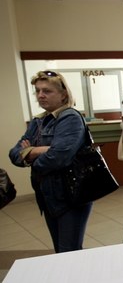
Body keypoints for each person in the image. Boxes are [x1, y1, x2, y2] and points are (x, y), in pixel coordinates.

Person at [9, 70, 92, 253]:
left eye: (47, 91)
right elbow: (14, 154)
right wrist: (39, 151)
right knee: (60, 251)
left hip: (70, 196)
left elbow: (58, 158)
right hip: (48, 197)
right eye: (37, 91)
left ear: (63, 94)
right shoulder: (39, 121)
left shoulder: (70, 117)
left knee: (69, 251)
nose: (40, 95)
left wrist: (30, 154)